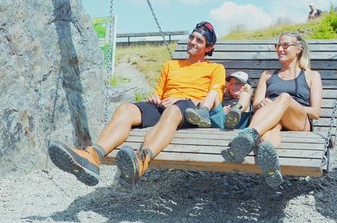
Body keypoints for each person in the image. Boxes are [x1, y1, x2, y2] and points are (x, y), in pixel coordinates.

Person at [48, 21, 225, 188]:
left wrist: (185, 99)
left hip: (189, 110)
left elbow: (215, 97)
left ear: (208, 48)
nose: (192, 42)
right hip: (164, 106)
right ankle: (92, 156)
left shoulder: (215, 68)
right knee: (125, 108)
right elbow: (159, 92)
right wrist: (155, 98)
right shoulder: (171, 65)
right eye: (192, 37)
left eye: (199, 40)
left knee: (172, 110)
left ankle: (142, 160)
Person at [221, 32, 323, 187]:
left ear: (299, 49)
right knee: (270, 132)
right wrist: (262, 104)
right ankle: (270, 167)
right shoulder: (267, 75)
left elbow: (315, 113)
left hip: (298, 122)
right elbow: (256, 104)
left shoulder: (311, 76)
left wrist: (284, 104)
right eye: (278, 45)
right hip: (272, 119)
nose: (280, 49)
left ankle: (249, 135)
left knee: (284, 97)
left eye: (285, 45)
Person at [184, 71, 253, 130]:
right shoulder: (224, 98)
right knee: (213, 92)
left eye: (237, 83)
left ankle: (236, 111)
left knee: (245, 94)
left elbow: (247, 100)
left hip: (237, 125)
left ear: (245, 86)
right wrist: (222, 110)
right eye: (231, 84)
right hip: (220, 123)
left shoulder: (245, 98)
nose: (233, 86)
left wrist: (233, 111)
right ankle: (203, 114)